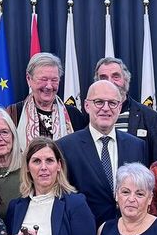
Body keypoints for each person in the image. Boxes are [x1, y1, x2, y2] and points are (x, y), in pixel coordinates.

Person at [59, 80, 149, 225]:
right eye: (99, 102)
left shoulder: (136, 146)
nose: (106, 108)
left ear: (119, 107)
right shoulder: (66, 146)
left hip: (128, 233)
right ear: (87, 106)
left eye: (112, 103)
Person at [94, 57, 157, 161]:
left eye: (116, 76)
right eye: (103, 78)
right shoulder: (91, 116)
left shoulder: (150, 116)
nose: (110, 82)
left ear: (126, 80)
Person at [7, 53, 87, 145]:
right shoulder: (13, 113)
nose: (49, 86)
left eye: (54, 80)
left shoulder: (74, 115)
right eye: (43, 79)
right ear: (29, 79)